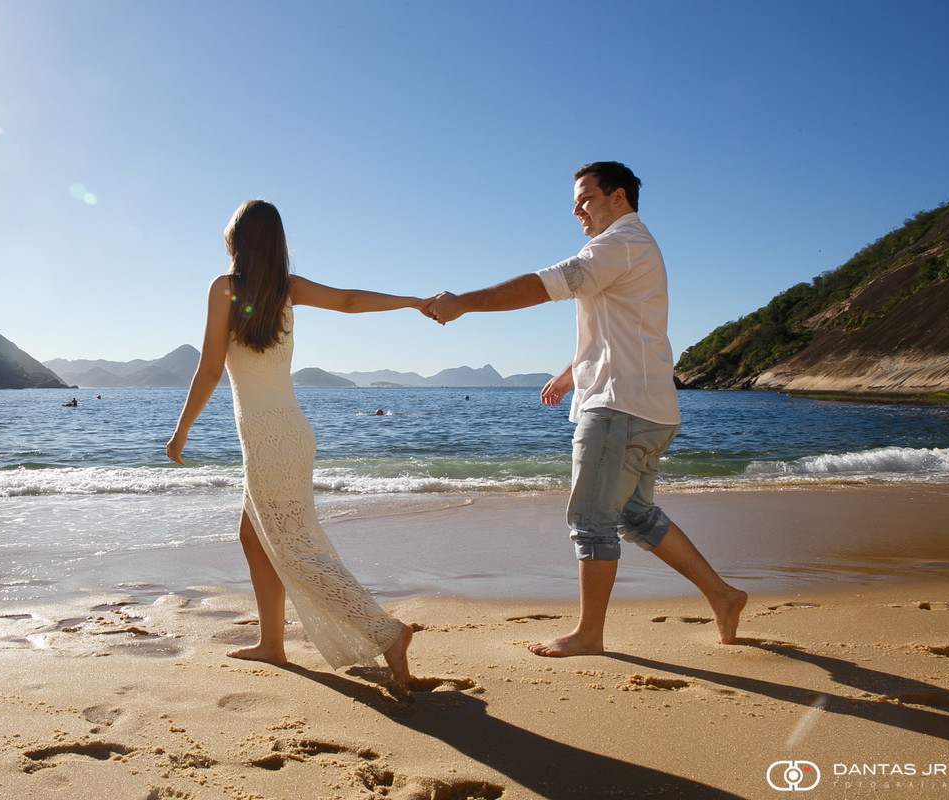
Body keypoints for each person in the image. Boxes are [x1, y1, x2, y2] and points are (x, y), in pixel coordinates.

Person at [425, 162, 746, 657]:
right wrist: (571, 371)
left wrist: (464, 302)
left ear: (618, 197)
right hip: (651, 407)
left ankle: (588, 635)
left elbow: (543, 284)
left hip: (619, 407)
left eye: (586, 199)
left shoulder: (619, 242)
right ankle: (724, 596)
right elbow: (618, 329)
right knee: (636, 516)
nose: (577, 210)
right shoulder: (632, 246)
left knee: (591, 520)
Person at [167, 199, 425, 691]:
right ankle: (272, 643)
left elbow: (209, 367)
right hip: (289, 436)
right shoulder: (286, 289)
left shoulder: (225, 288)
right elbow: (349, 300)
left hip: (269, 443)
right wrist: (410, 301)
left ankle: (387, 633)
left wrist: (182, 429)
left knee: (297, 551)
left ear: (238, 237)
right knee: (255, 537)